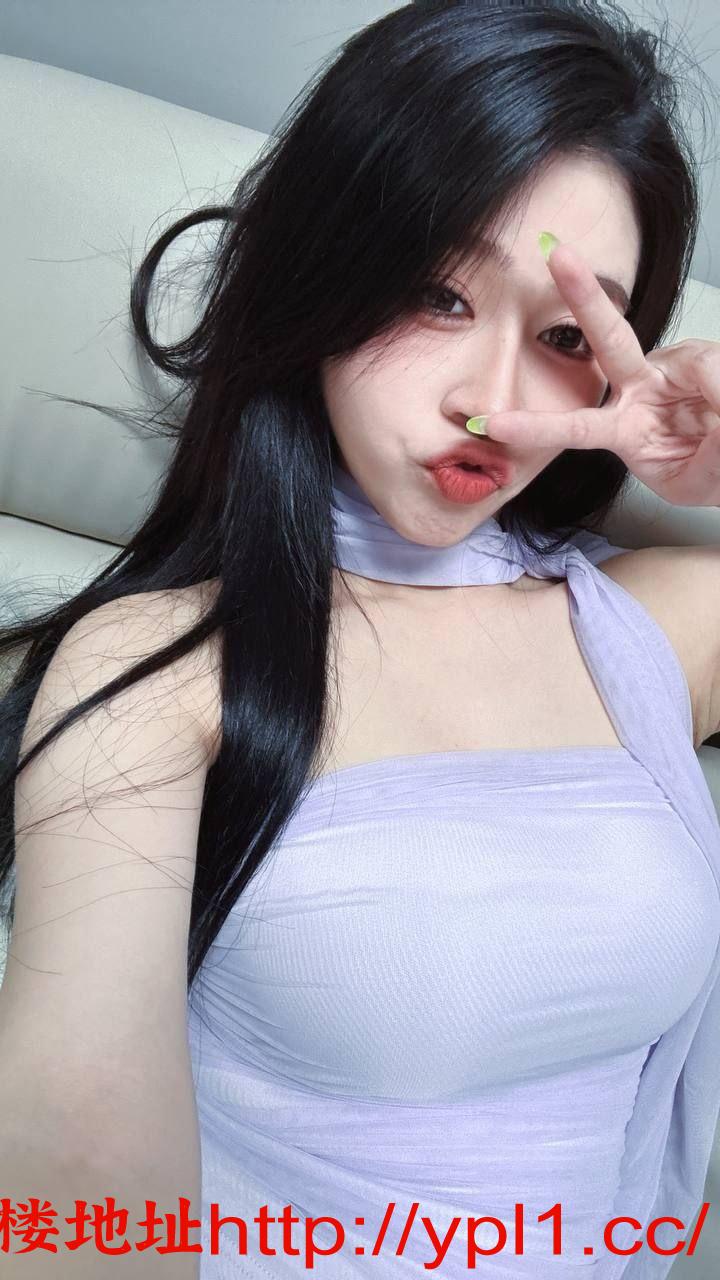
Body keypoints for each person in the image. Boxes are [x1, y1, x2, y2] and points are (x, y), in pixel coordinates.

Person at [1, 2, 720, 1277]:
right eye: (437, 292)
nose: (491, 401)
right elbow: (78, 1187)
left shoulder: (654, 624)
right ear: (325, 265)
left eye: (566, 336)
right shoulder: (155, 671)